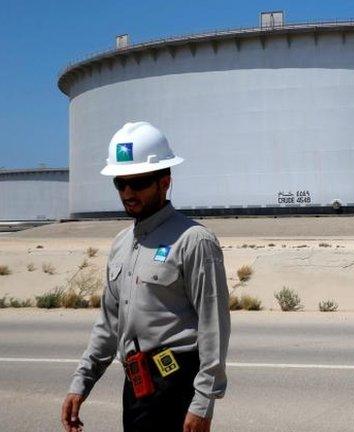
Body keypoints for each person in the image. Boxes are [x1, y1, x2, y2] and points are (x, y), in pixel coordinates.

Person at [60, 122, 230, 432]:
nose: (127, 193)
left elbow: (213, 326)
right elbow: (109, 323)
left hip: (178, 384)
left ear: (164, 182)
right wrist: (81, 382)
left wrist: (203, 401)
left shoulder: (194, 240)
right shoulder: (121, 244)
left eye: (137, 183)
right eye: (120, 184)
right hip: (137, 384)